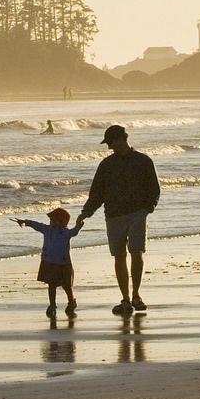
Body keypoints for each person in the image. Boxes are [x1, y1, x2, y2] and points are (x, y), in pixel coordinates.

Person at [74, 125, 160, 316]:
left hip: (138, 213)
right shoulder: (106, 165)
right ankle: (126, 299)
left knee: (136, 252)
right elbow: (97, 194)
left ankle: (136, 295)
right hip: (113, 216)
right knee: (119, 256)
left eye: (111, 142)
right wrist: (85, 213)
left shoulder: (144, 161)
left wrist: (148, 209)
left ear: (122, 139)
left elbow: (154, 189)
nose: (109, 147)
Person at [12, 207, 80, 318]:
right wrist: (25, 222)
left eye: (52, 219)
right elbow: (36, 225)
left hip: (64, 263)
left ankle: (71, 302)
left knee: (67, 286)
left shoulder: (66, 232)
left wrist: (78, 225)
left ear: (58, 221)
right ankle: (52, 305)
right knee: (51, 285)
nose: (50, 221)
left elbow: (74, 232)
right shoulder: (47, 229)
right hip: (50, 262)